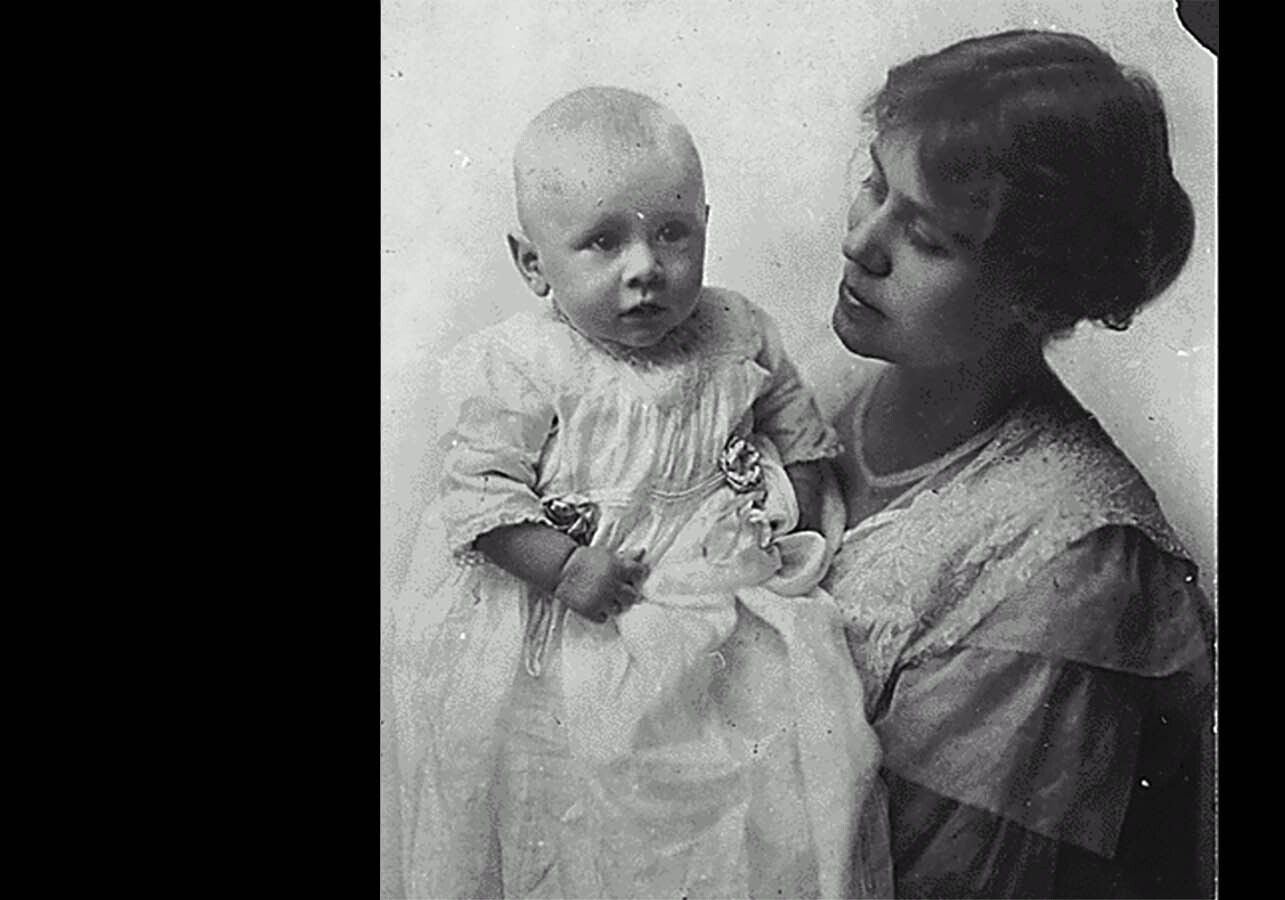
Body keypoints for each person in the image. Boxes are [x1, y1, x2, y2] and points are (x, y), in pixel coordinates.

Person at [391, 86, 888, 900]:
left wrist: (780, 512)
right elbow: (478, 498)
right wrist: (558, 566)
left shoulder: (738, 330)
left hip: (714, 609)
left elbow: (800, 435)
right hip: (573, 616)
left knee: (745, 788)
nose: (646, 269)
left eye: (673, 233)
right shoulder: (520, 365)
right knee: (568, 798)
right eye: (601, 243)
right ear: (532, 265)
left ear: (704, 226)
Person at [814, 30, 1217, 898]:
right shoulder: (830, 382)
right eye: (875, 186)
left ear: (1033, 290)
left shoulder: (1068, 565)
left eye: (927, 238)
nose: (863, 245)